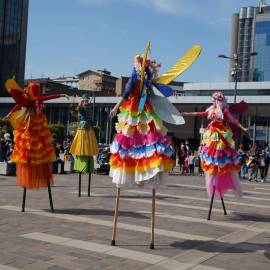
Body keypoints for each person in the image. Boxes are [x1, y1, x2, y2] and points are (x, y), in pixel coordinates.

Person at [109, 54, 174, 188]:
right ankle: (138, 175)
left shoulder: (146, 80)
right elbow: (126, 94)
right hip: (135, 109)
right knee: (131, 140)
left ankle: (143, 175)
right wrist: (116, 106)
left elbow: (153, 92)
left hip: (144, 108)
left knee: (148, 140)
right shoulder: (136, 79)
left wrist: (169, 93)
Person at [4, 77, 69, 188]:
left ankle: (32, 170)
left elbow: (19, 105)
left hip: (33, 124)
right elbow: (20, 104)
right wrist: (62, 95)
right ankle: (31, 171)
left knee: (34, 146)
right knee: (35, 146)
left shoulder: (31, 99)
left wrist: (61, 95)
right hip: (34, 124)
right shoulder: (30, 99)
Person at [182, 91, 248, 198]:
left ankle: (219, 178)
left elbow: (233, 120)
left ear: (220, 102)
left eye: (216, 101)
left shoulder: (224, 111)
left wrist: (243, 127)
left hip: (220, 135)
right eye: (214, 101)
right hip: (211, 135)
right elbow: (200, 114)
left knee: (219, 155)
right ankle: (213, 181)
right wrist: (187, 114)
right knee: (210, 155)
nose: (214, 103)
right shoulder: (211, 110)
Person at [69, 94, 98, 174]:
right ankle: (82, 166)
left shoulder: (88, 107)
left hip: (87, 129)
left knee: (87, 146)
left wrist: (80, 103)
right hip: (84, 128)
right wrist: (80, 103)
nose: (87, 101)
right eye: (86, 100)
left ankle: (86, 165)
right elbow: (78, 109)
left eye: (87, 100)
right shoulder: (85, 107)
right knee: (83, 146)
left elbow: (79, 110)